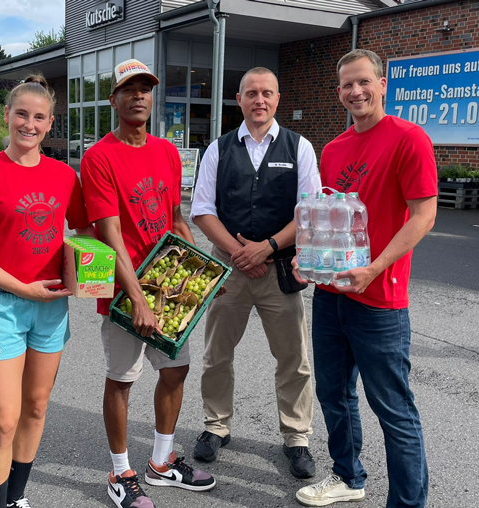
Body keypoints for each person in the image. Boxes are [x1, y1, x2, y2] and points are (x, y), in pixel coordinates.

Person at [294, 49, 437, 508]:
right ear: (338, 93)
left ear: (382, 84)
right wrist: (306, 261)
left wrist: (375, 267)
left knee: (393, 409)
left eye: (363, 82)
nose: (356, 92)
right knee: (333, 395)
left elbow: (424, 215)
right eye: (347, 86)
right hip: (331, 297)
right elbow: (327, 220)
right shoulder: (334, 149)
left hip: (380, 301)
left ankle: (407, 503)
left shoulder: (408, 139)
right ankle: (348, 476)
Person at [0, 75, 92, 508]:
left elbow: (83, 230)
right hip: (3, 307)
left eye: (40, 117)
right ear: (7, 116)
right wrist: (21, 288)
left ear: (51, 124)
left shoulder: (65, 176)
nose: (29, 124)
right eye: (22, 114)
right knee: (5, 419)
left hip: (50, 308)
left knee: (34, 408)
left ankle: (16, 498)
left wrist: (86, 267)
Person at [80, 59, 216, 508]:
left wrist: (201, 273)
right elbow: (109, 232)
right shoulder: (99, 157)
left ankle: (161, 463)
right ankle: (120, 474)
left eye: (145, 88)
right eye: (129, 89)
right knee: (122, 378)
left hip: (166, 284)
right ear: (114, 99)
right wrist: (136, 298)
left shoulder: (166, 151)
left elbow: (175, 218)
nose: (139, 95)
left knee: (176, 370)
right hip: (125, 292)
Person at [190, 67, 321, 478]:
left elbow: (310, 211)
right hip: (228, 268)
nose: (259, 100)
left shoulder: (299, 147)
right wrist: (239, 252)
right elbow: (202, 209)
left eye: (266, 93)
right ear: (239, 99)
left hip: (279, 267)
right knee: (216, 354)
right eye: (251, 93)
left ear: (277, 99)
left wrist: (267, 247)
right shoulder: (219, 148)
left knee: (293, 357)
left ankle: (296, 436)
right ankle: (216, 425)